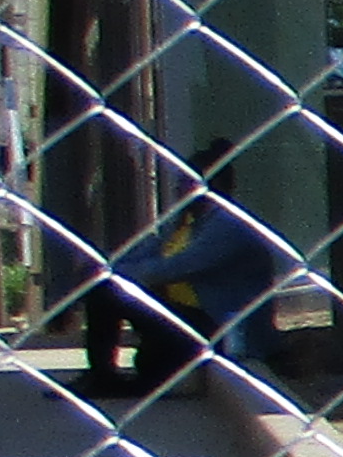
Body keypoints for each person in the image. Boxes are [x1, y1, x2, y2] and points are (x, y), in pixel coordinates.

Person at [93, 143, 289, 395]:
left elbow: (174, 268)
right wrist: (106, 268)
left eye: (185, 183)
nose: (177, 190)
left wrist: (113, 275)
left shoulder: (229, 226)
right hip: (186, 316)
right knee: (104, 288)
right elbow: (143, 255)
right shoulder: (184, 223)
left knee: (106, 290)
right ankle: (100, 375)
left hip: (218, 327)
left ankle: (107, 378)